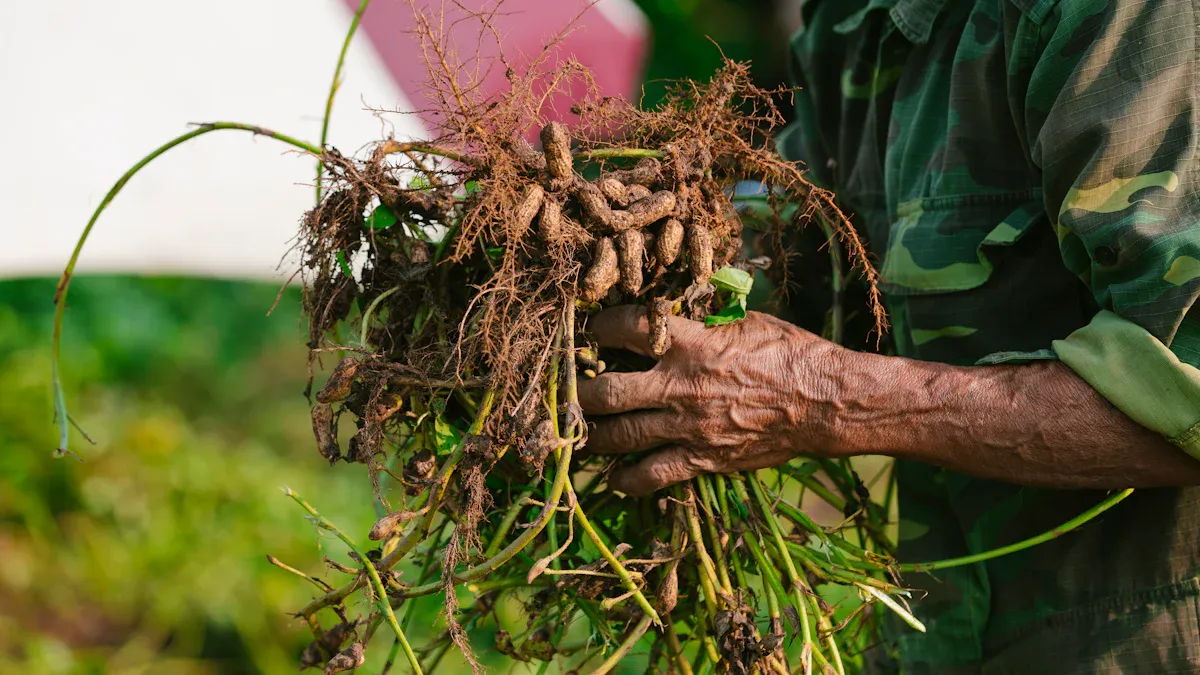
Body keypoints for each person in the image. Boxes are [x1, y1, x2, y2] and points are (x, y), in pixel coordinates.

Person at [576, 0, 1200, 672]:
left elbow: (1186, 389)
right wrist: (602, 261)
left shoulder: (1116, 17)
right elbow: (809, 255)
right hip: (940, 637)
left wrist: (823, 398)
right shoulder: (855, 20)